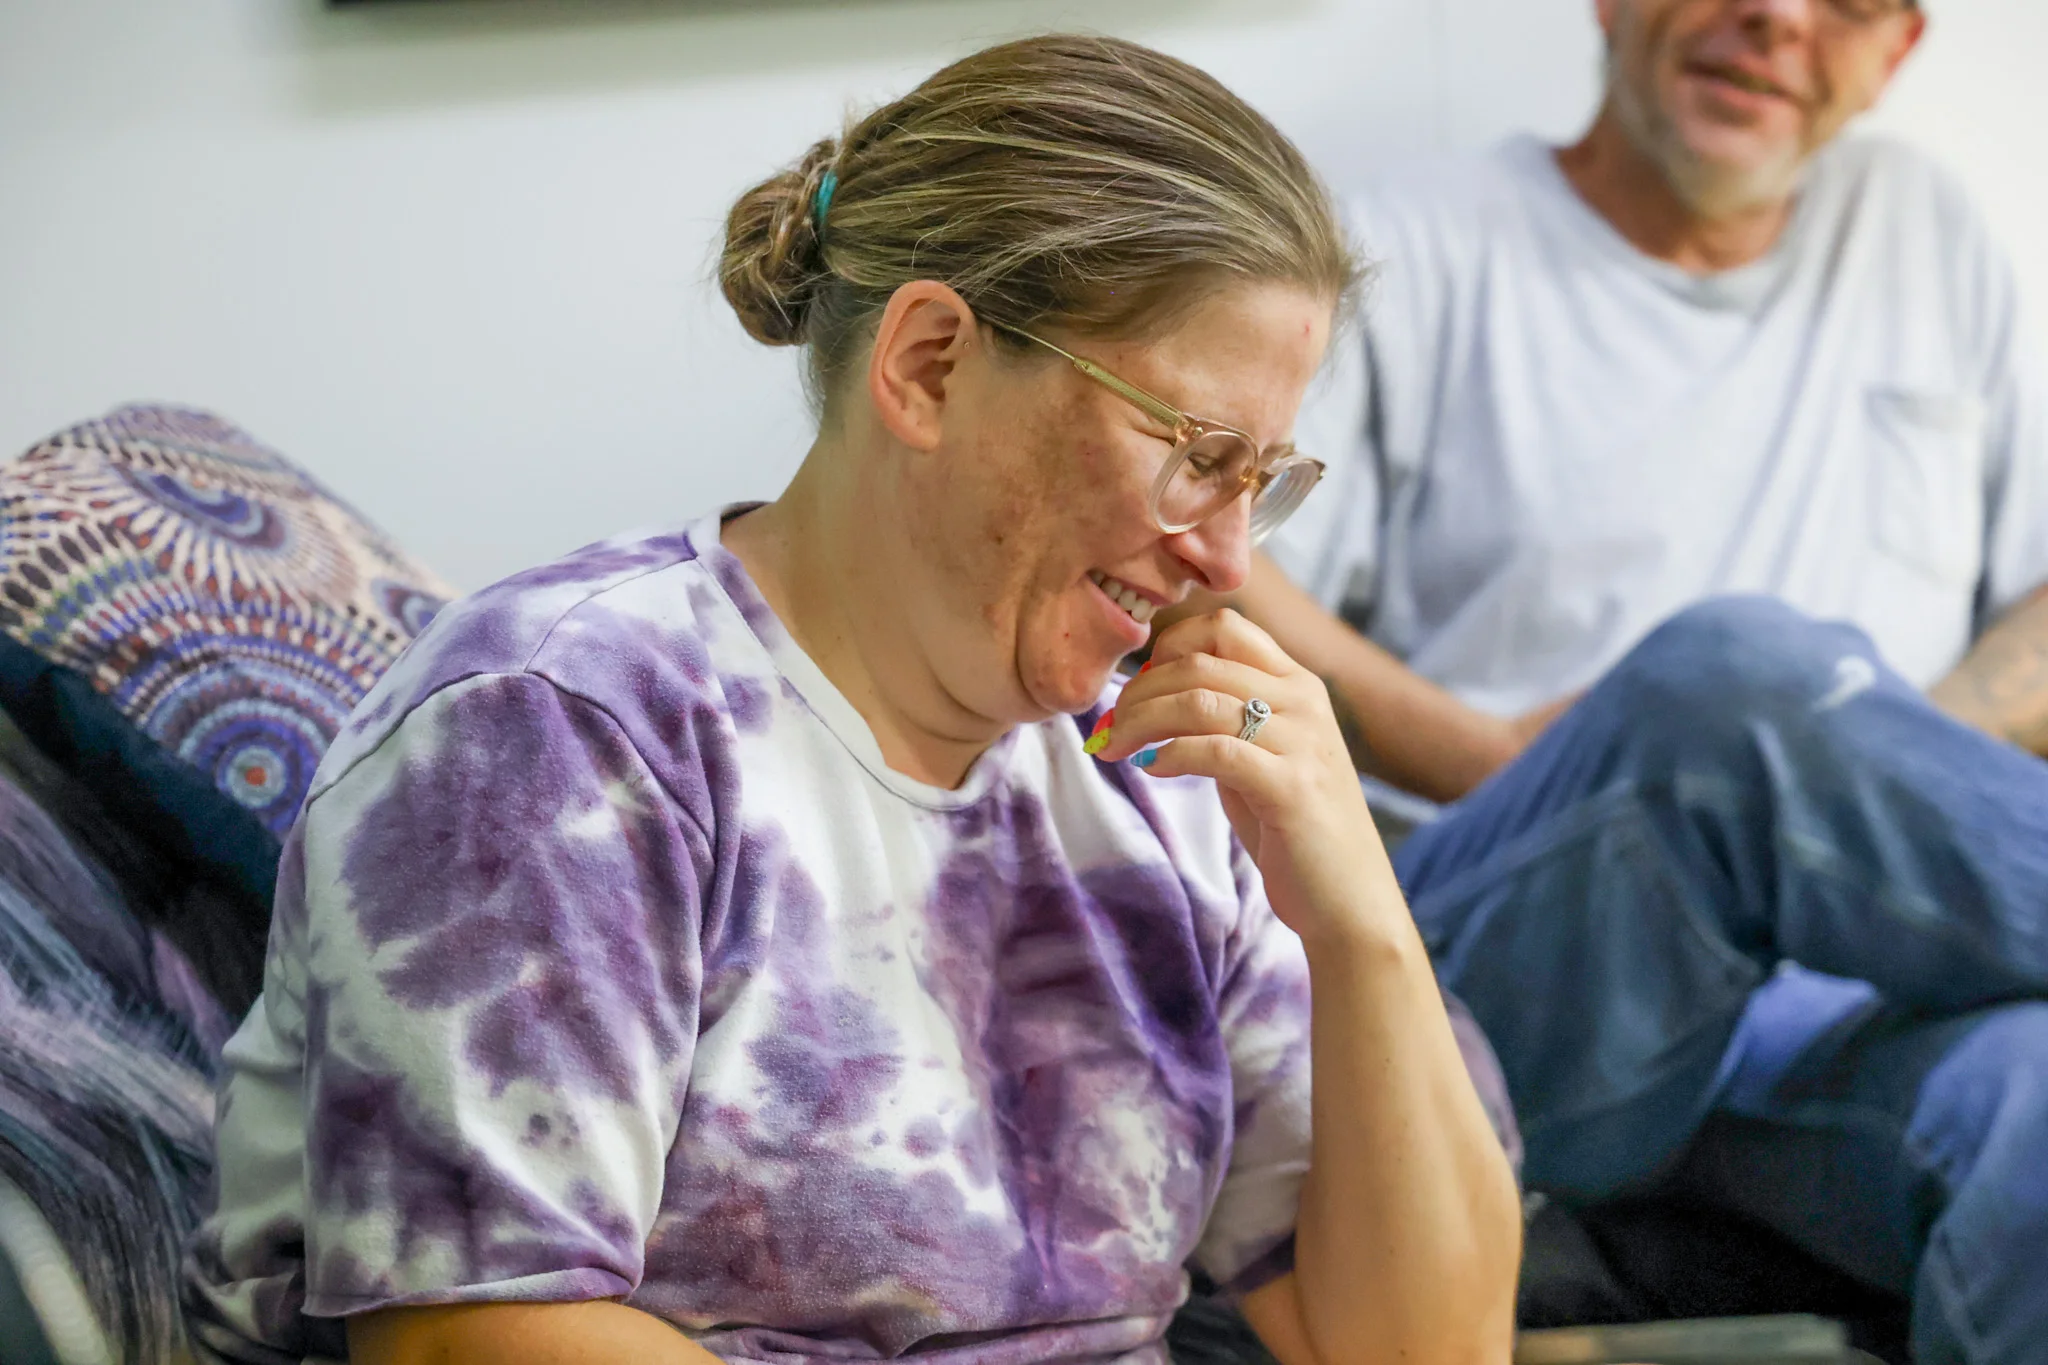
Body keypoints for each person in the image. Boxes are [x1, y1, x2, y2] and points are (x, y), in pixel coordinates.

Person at [180, 35, 1526, 1365]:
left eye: (1265, 482)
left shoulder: (1156, 775)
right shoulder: (563, 732)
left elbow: (1424, 1346)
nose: (1230, 561)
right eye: (1197, 456)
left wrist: (1360, 921)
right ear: (930, 364)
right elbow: (469, 1342)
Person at [1241, 0, 2048, 1360]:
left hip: (1837, 988)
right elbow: (1219, 564)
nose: (1778, 19)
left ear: (1896, 53)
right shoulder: (1413, 246)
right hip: (1515, 948)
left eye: (1847, 1)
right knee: (1726, 686)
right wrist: (1501, 752)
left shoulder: (1928, 231)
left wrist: (1856, 766)